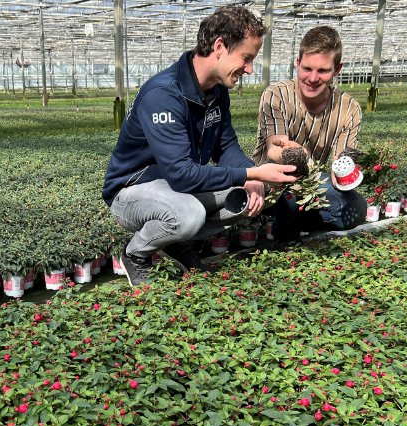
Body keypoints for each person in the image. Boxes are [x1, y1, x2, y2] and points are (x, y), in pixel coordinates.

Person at [102, 6, 298, 286]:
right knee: (188, 214)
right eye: (246, 58)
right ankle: (135, 253)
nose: (250, 68)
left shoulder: (217, 92)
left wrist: (252, 177)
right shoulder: (163, 95)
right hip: (131, 193)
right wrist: (253, 174)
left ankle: (177, 243)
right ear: (220, 47)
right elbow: (182, 175)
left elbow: (226, 147)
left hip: (172, 189)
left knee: (242, 199)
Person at [252, 25, 367, 242]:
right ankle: (276, 218)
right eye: (307, 68)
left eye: (322, 71)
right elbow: (274, 150)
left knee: (357, 209)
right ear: (297, 63)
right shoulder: (276, 95)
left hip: (312, 184)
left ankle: (289, 219)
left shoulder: (348, 108)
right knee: (288, 199)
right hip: (271, 182)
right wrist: (298, 155)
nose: (312, 78)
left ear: (337, 69)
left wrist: (349, 170)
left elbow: (341, 163)